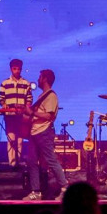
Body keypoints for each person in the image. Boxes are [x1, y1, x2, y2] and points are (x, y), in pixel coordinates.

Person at [22, 69, 67, 201]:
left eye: (40, 77)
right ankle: (36, 191)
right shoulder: (42, 96)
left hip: (44, 132)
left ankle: (65, 188)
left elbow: (48, 116)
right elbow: (37, 115)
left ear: (45, 78)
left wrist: (31, 113)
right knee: (32, 162)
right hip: (34, 132)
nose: (38, 79)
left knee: (51, 160)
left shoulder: (51, 96)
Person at [0, 58, 34, 165]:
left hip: (21, 117)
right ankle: (12, 164)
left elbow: (29, 99)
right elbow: (1, 99)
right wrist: (4, 104)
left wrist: (25, 107)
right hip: (9, 116)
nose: (17, 71)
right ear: (11, 69)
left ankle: (17, 162)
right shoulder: (5, 83)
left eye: (19, 69)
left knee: (19, 141)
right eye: (15, 69)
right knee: (11, 139)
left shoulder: (26, 83)